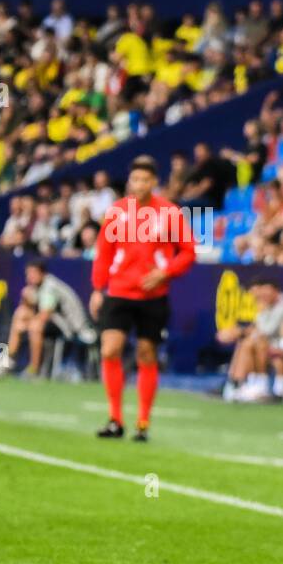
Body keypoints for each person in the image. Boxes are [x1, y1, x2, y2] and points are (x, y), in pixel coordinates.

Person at [90, 155, 196, 441]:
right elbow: (104, 253)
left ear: (154, 182)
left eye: (145, 179)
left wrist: (166, 272)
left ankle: (143, 422)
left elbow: (188, 251)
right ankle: (115, 418)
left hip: (153, 295)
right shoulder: (116, 212)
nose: (139, 184)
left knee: (146, 353)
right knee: (110, 349)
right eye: (135, 179)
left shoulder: (170, 213)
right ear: (129, 181)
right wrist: (98, 289)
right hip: (119, 291)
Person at [8, 260, 94, 376]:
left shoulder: (50, 286)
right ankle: (8, 362)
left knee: (34, 326)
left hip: (73, 327)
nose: (30, 277)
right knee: (20, 314)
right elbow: (30, 311)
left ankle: (34, 370)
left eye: (33, 273)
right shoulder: (35, 287)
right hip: (56, 322)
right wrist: (25, 300)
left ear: (42, 273)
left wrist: (26, 325)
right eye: (28, 274)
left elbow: (45, 315)